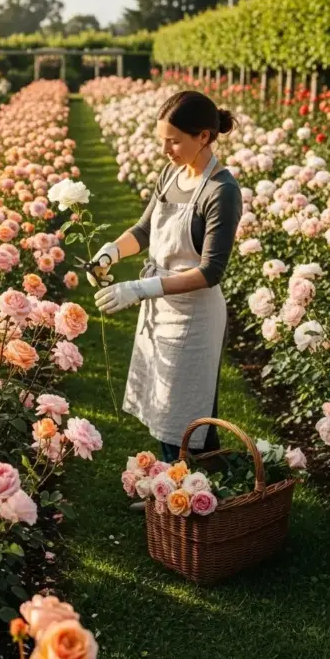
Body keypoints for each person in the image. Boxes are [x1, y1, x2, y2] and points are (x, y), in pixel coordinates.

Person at [89, 89, 242, 465]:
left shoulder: (222, 191)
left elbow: (210, 271)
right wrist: (110, 252)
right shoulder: (170, 174)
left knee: (186, 410)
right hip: (162, 308)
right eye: (163, 141)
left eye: (173, 142)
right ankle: (179, 489)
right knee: (162, 404)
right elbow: (143, 231)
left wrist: (141, 288)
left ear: (203, 136)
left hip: (194, 315)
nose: (165, 150)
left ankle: (193, 494)